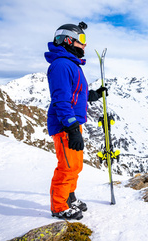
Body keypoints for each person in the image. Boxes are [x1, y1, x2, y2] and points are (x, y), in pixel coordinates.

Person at [44, 21, 106, 220]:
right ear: (68, 40)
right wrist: (71, 128)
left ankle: (69, 197)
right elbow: (61, 99)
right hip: (65, 125)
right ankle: (59, 206)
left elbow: (75, 93)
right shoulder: (62, 65)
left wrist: (92, 95)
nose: (84, 45)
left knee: (76, 166)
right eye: (82, 40)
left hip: (72, 123)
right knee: (67, 166)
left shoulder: (70, 64)